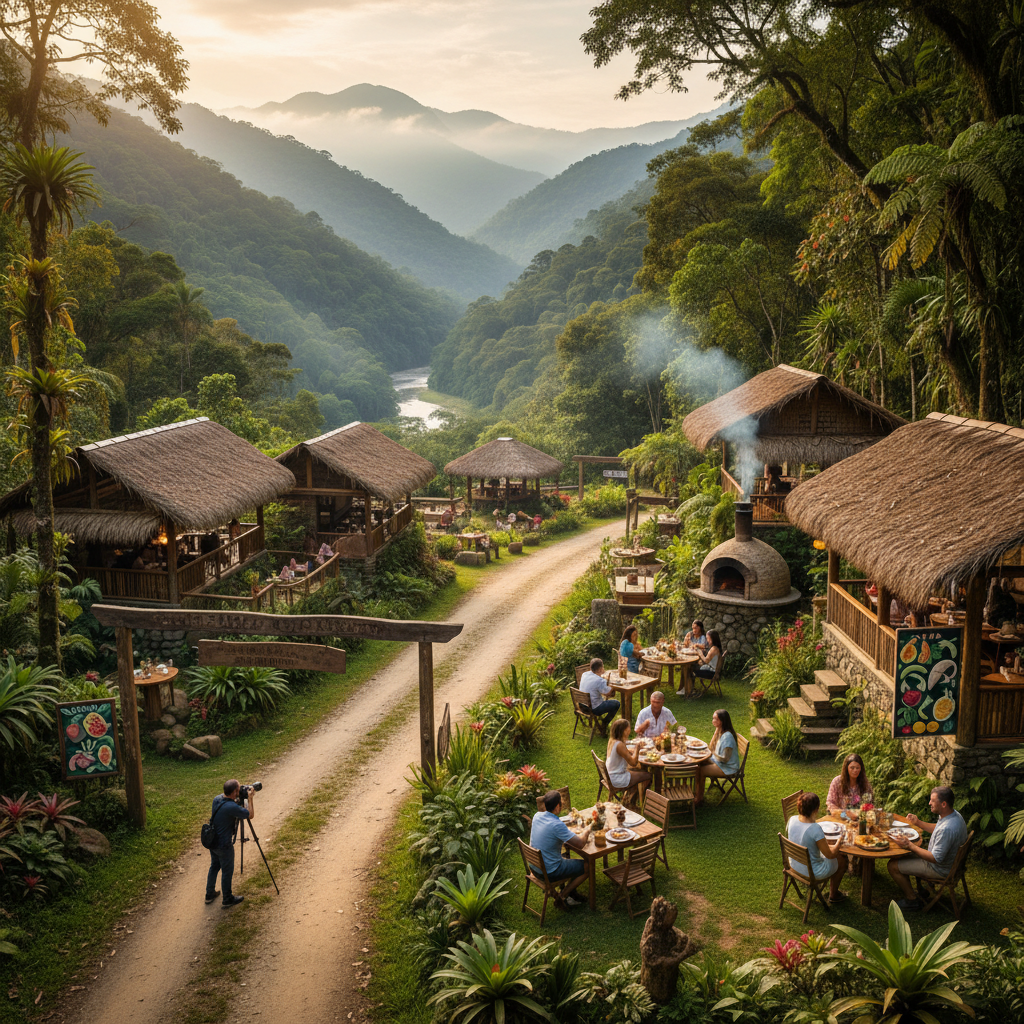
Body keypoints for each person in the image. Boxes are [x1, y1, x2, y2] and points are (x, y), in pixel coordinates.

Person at [887, 785, 969, 911]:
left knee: (892, 865)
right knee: (902, 855)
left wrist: (910, 845)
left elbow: (935, 858)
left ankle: (912, 899)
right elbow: (938, 828)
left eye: (932, 800)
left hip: (939, 868)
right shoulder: (954, 815)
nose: (929, 803)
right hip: (952, 865)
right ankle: (922, 890)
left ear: (943, 804)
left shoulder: (947, 829)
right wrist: (918, 823)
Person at [528, 790, 590, 906]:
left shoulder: (537, 816)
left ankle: (571, 893)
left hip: (534, 867)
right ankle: (563, 896)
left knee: (567, 857)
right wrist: (588, 829)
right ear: (557, 806)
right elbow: (580, 843)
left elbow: (553, 829)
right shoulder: (557, 826)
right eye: (561, 803)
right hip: (549, 872)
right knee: (588, 866)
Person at [786, 792, 849, 903]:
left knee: (825, 851)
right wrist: (840, 840)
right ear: (815, 810)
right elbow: (831, 855)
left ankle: (833, 893)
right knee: (841, 859)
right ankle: (834, 894)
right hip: (812, 871)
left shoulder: (792, 820)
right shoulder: (815, 829)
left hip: (793, 864)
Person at [205, 779, 254, 908]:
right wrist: (249, 799)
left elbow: (228, 806)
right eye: (238, 790)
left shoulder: (217, 799)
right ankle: (227, 899)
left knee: (214, 866)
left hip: (213, 841)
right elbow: (250, 815)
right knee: (227, 871)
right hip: (224, 845)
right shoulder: (232, 807)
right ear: (234, 792)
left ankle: (209, 894)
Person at [696, 708, 740, 803]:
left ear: (722, 721)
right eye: (713, 718)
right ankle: (696, 793)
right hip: (719, 762)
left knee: (700, 770)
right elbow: (711, 746)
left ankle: (699, 799)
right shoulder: (721, 732)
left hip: (727, 767)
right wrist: (716, 731)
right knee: (699, 763)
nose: (713, 721)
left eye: (716, 719)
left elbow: (725, 759)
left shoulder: (727, 737)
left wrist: (711, 754)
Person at [606, 718, 652, 808]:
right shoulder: (619, 745)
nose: (629, 730)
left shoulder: (612, 740)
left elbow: (623, 752)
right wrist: (637, 748)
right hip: (618, 778)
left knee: (637, 772)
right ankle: (634, 802)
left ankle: (630, 799)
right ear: (623, 731)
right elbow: (634, 762)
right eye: (628, 728)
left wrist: (631, 751)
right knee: (648, 776)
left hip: (610, 775)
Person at [578, 657, 620, 733]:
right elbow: (608, 693)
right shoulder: (599, 680)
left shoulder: (584, 674)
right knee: (616, 704)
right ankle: (605, 722)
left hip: (582, 706)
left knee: (600, 696)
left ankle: (603, 723)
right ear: (601, 668)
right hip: (593, 709)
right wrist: (614, 685)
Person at [691, 630, 723, 694]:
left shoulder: (714, 649)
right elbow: (709, 658)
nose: (707, 640)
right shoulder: (716, 648)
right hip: (713, 670)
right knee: (694, 666)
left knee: (690, 671)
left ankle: (690, 690)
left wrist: (700, 653)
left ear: (712, 639)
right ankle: (691, 689)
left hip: (711, 673)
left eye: (708, 638)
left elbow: (706, 660)